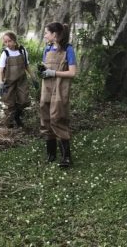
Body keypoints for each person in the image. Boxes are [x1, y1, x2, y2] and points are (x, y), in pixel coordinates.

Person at [39, 22, 77, 167]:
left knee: (58, 118)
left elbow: (72, 72)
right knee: (46, 119)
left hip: (60, 89)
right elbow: (45, 66)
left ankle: (66, 157)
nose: (45, 35)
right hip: (46, 88)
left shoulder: (68, 49)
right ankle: (51, 154)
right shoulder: (47, 48)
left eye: (46, 33)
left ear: (54, 35)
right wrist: (43, 71)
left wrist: (54, 72)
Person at [0, 32, 31, 128]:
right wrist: (0, 83)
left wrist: (34, 78)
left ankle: (17, 116)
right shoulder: (5, 53)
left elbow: (27, 66)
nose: (7, 44)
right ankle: (9, 126)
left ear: (15, 40)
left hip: (21, 80)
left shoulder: (22, 51)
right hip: (9, 82)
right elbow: (0, 71)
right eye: (5, 42)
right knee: (10, 104)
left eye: (9, 41)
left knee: (24, 101)